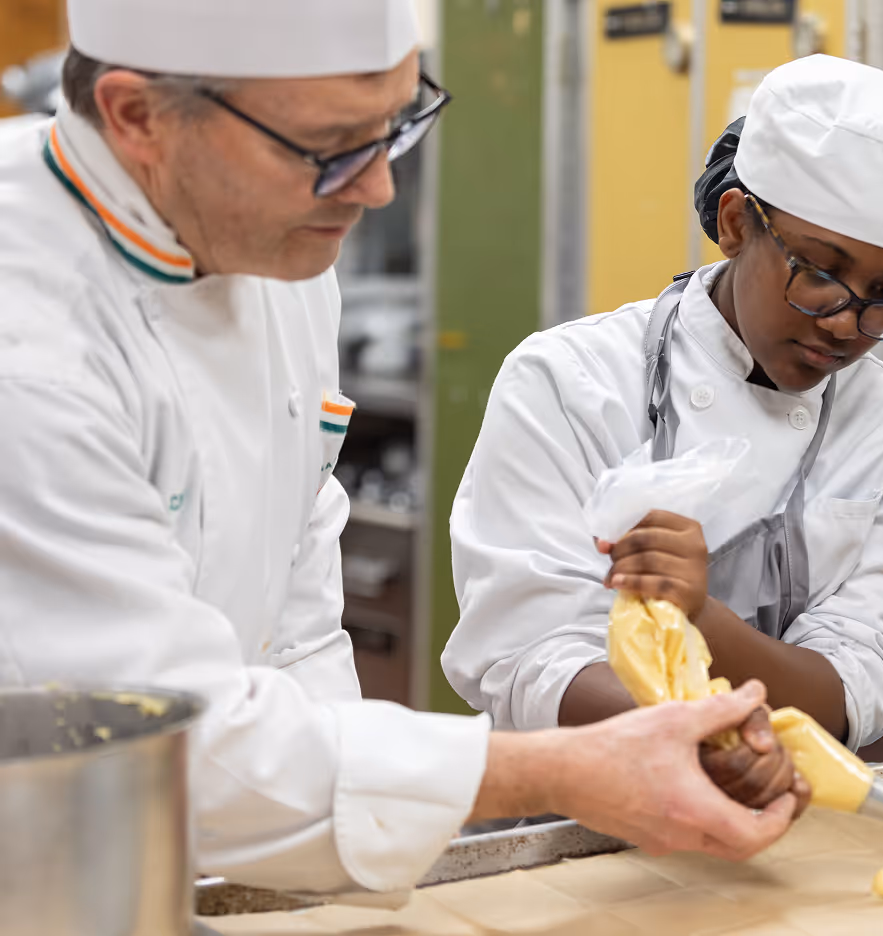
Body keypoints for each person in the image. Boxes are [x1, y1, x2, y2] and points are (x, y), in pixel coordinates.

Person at [0, 0, 803, 895]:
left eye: (396, 124)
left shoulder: (271, 243)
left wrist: (317, 886)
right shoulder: (29, 347)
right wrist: (561, 771)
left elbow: (293, 621)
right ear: (137, 115)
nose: (377, 187)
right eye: (331, 148)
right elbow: (152, 738)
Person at [444, 56, 883, 769]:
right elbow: (524, 655)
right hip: (574, 811)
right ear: (735, 224)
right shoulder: (570, 382)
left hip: (783, 810)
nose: (848, 324)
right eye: (819, 274)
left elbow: (859, 680)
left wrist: (707, 625)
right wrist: (702, 747)